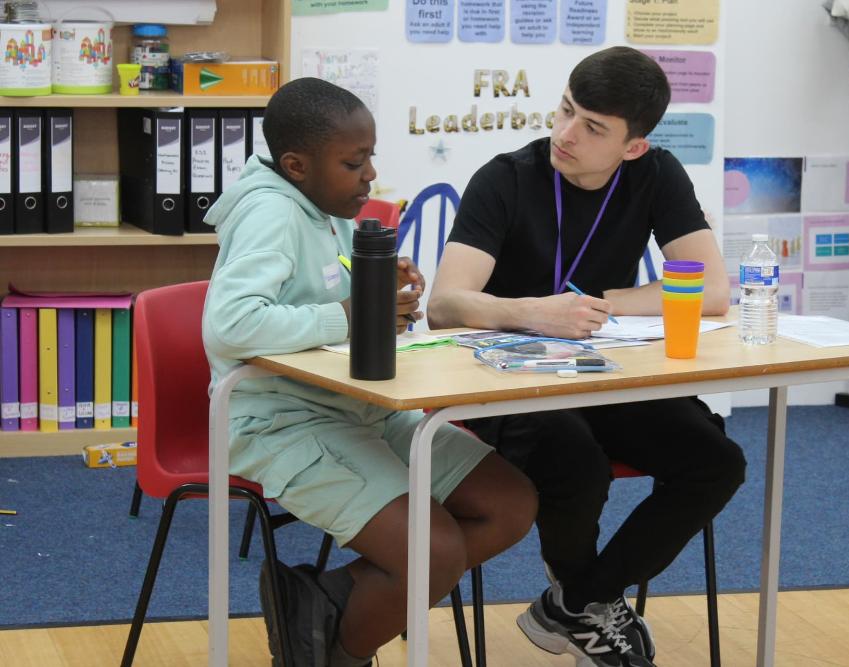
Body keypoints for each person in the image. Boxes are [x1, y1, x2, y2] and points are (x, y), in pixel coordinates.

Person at [427, 47, 747, 667]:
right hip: (503, 379)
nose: (565, 134)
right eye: (566, 110)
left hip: (601, 372)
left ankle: (578, 601)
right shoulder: (506, 178)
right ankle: (588, 605)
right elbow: (445, 305)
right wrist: (529, 311)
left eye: (593, 127)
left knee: (716, 461)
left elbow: (712, 290)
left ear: (634, 147)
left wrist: (603, 302)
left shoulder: (656, 175)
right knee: (575, 457)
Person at [201, 77, 537, 667]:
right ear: (296, 165)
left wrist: (377, 286)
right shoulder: (271, 214)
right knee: (433, 551)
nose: (370, 175)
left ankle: (321, 607)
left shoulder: (321, 204)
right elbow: (230, 325)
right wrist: (354, 314)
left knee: (509, 504)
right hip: (282, 422)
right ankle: (334, 654)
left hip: (357, 406)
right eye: (355, 162)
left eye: (370, 157)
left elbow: (316, 292)